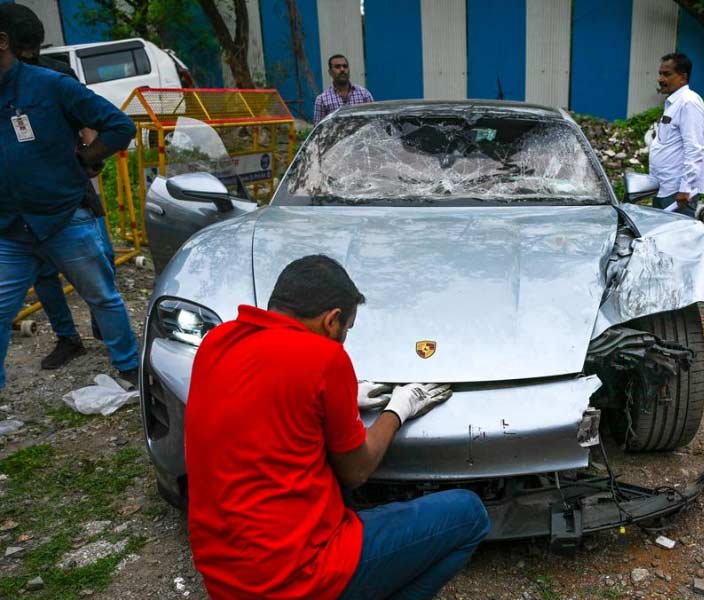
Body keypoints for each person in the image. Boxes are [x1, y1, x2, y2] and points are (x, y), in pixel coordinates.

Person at [185, 255, 490, 600]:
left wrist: (335, 401)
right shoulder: (324, 358)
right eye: (347, 329)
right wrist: (400, 408)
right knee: (469, 515)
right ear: (332, 320)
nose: (344, 338)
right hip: (294, 578)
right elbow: (356, 471)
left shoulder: (217, 342)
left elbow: (266, 398)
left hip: (224, 577)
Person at [0, 4, 140, 391]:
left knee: (102, 296)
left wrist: (85, 161)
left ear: (3, 42)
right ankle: (66, 341)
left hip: (63, 218)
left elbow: (118, 125)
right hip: (10, 229)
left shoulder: (51, 83)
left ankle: (130, 366)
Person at [12, 4, 115, 370]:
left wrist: (89, 160)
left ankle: (105, 330)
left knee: (97, 260)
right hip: (25, 202)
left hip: (71, 191)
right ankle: (67, 338)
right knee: (44, 275)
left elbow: (88, 121)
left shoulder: (54, 74)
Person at [649, 52, 704, 218]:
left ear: (683, 77)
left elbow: (694, 148)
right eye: (660, 74)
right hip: (664, 188)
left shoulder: (689, 102)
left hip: (677, 193)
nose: (660, 79)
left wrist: (685, 188)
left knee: (677, 241)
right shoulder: (673, 103)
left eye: (667, 74)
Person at [313, 54, 374, 124]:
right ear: (330, 72)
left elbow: (374, 120)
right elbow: (318, 129)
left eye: (345, 66)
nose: (342, 69)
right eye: (337, 67)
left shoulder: (364, 94)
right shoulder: (322, 100)